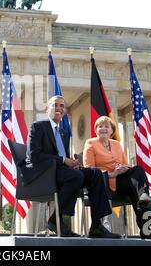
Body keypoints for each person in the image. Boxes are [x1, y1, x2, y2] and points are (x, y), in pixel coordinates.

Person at [24, 95, 121, 238]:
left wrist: (73, 163)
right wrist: (64, 160)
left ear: (64, 111)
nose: (59, 108)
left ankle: (96, 226)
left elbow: (65, 160)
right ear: (47, 109)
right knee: (75, 176)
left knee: (96, 173)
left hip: (63, 172)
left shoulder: (63, 133)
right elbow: (34, 156)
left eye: (62, 106)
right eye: (55, 105)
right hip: (43, 173)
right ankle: (57, 220)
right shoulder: (38, 127)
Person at [82, 116, 151, 239]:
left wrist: (124, 168)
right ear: (96, 130)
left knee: (138, 171)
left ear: (112, 131)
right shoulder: (90, 143)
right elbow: (90, 170)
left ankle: (145, 228)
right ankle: (142, 196)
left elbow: (126, 164)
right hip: (105, 182)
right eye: (99, 126)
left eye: (106, 126)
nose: (103, 128)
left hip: (122, 180)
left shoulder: (117, 144)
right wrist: (113, 173)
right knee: (135, 189)